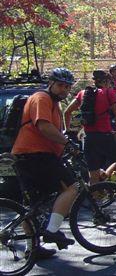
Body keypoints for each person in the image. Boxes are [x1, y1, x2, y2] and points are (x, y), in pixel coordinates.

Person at [12, 68, 78, 259]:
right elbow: (44, 126)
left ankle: (32, 248)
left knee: (31, 205)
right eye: (60, 85)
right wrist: (67, 143)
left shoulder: (54, 103)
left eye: (67, 87)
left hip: (31, 155)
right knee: (72, 187)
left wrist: (64, 144)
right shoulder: (42, 98)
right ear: (51, 84)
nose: (64, 90)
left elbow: (53, 130)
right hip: (35, 154)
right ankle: (53, 230)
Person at [64, 70, 116, 185]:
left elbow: (67, 112)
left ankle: (95, 197)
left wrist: (67, 130)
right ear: (106, 81)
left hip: (88, 137)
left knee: (93, 174)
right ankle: (106, 178)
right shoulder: (108, 93)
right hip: (105, 136)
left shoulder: (83, 93)